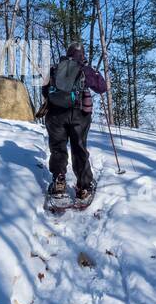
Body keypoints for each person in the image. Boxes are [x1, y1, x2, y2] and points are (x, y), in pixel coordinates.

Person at [38, 43, 108, 203]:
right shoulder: (85, 69)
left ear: (67, 54)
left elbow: (44, 90)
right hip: (79, 116)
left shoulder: (55, 69)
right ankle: (84, 187)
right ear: (81, 55)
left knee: (58, 148)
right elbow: (102, 87)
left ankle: (59, 182)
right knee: (79, 148)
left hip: (55, 115)